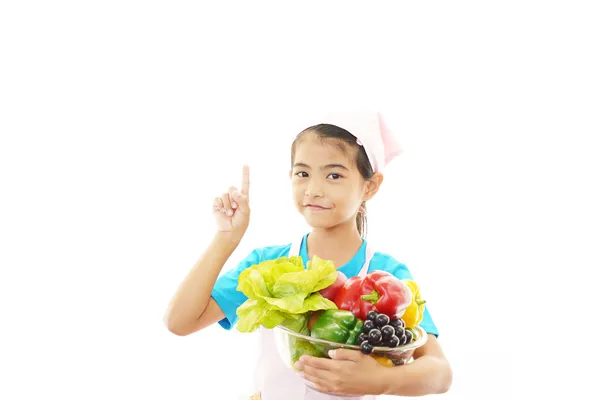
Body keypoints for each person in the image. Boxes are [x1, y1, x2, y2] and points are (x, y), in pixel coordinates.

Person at [164, 112, 453, 399]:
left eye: (334, 175)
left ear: (370, 186)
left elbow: (439, 373)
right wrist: (225, 239)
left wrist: (380, 380)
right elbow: (180, 322)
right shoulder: (268, 265)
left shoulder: (386, 275)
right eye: (303, 174)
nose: (314, 190)